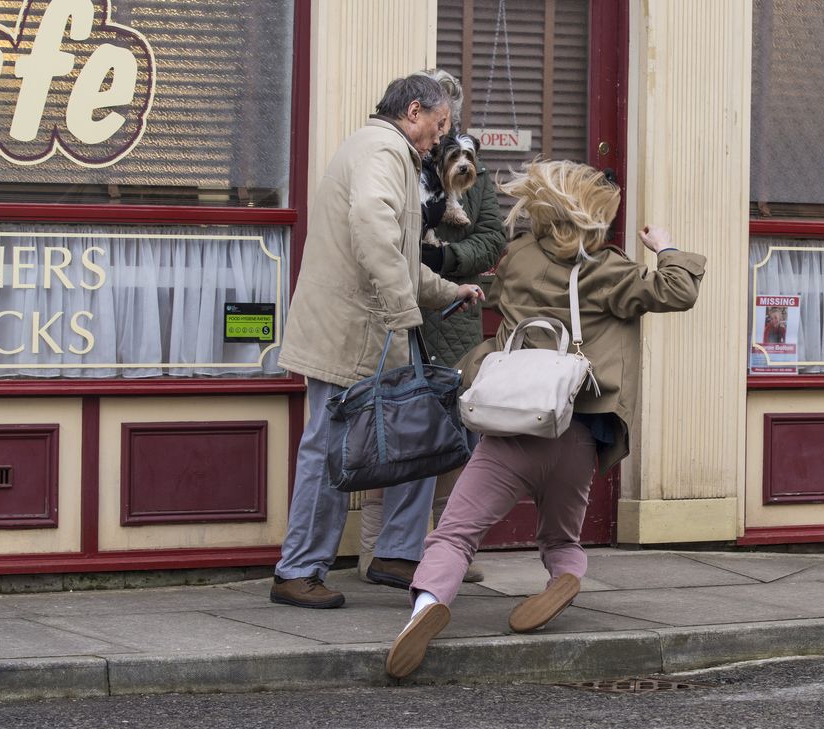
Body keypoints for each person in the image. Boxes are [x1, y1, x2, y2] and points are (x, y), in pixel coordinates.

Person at [384, 159, 706, 678]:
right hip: (575, 431)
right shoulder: (609, 271)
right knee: (561, 537)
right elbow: (677, 291)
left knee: (454, 535)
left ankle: (425, 610)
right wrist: (665, 247)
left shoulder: (518, 259)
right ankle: (563, 576)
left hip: (511, 428)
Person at [270, 74, 485, 610]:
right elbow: (373, 230)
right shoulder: (382, 151)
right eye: (439, 127)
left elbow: (398, 254)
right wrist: (404, 310)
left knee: (421, 431)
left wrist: (445, 290)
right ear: (414, 111)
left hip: (367, 329)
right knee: (326, 448)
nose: (441, 139)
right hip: (352, 333)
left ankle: (395, 553)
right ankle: (297, 570)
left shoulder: (388, 153)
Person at [358, 69, 506, 586]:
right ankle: (377, 552)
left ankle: (448, 552)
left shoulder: (475, 174)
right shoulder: (401, 160)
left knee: (453, 447)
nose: (443, 133)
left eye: (450, 120)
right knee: (393, 440)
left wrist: (442, 257)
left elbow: (492, 240)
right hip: (400, 318)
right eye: (439, 121)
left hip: (453, 321)